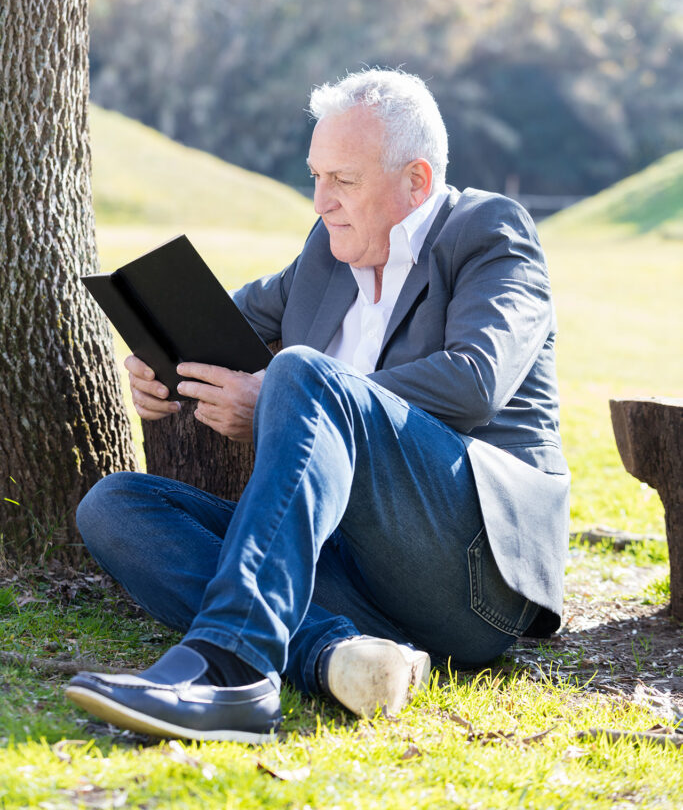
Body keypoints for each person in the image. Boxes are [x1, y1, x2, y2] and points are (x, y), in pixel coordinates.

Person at [66, 69, 570, 743]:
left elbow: (475, 379)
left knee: (303, 372)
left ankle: (231, 669)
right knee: (116, 506)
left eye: (343, 180)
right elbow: (223, 325)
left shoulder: (487, 233)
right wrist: (160, 365)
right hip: (345, 572)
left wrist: (287, 392)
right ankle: (332, 656)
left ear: (416, 181)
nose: (319, 200)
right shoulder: (328, 253)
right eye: (314, 177)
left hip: (474, 576)